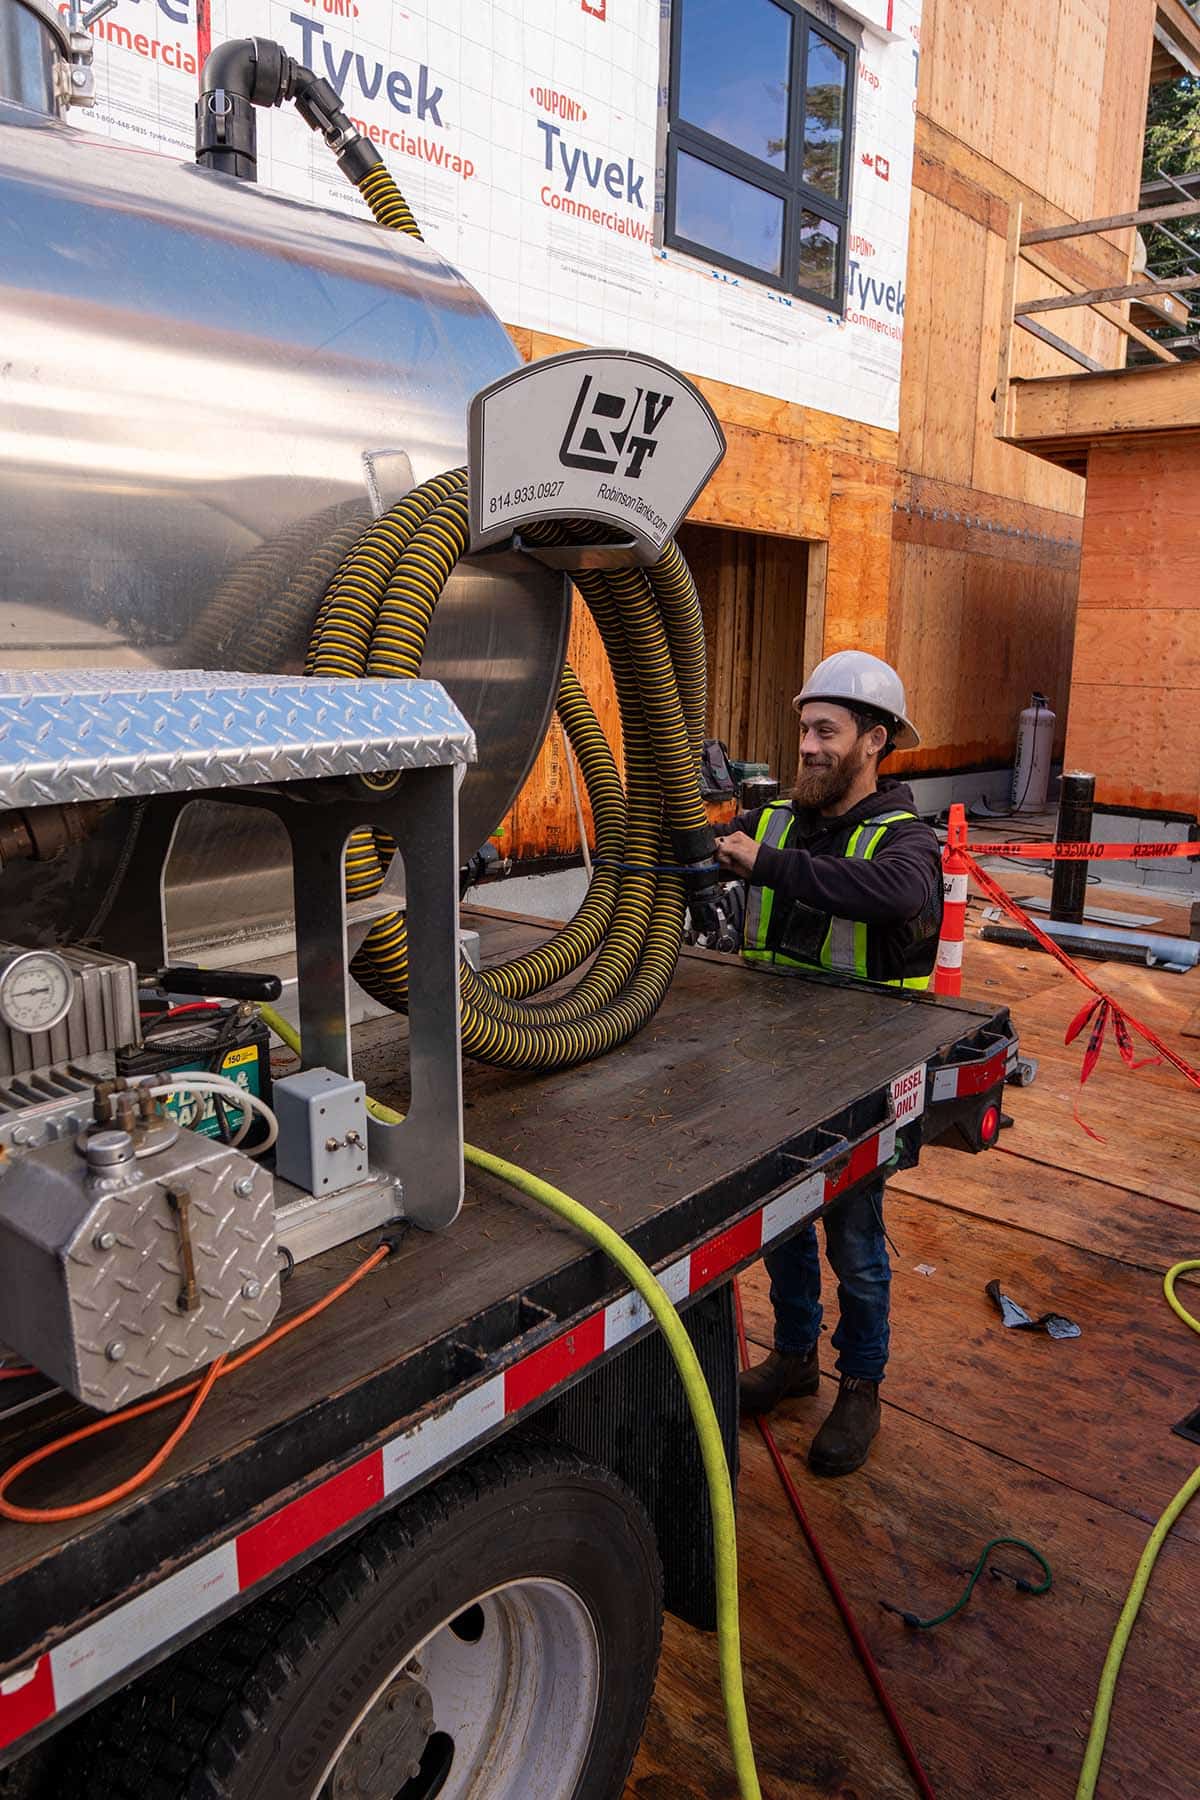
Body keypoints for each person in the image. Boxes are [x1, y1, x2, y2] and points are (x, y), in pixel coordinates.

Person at [714, 651, 942, 1476]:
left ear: (872, 742)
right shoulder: (775, 820)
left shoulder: (905, 839)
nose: (807, 746)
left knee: (855, 1241)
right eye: (803, 728)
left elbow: (892, 896)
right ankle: (794, 1358)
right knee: (782, 1230)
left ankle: (862, 1385)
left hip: (859, 1078)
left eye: (825, 732)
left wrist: (767, 865)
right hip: (774, 1067)